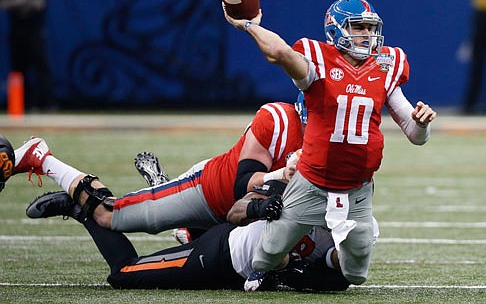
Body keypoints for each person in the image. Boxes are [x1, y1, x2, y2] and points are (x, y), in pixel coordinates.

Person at [223, 0, 437, 289]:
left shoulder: (386, 64)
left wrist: (422, 124)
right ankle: (265, 269)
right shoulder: (317, 61)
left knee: (356, 274)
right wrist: (250, 26)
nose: (367, 35)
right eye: (358, 27)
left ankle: (312, 267)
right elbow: (279, 53)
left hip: (357, 189)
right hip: (311, 181)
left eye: (370, 28)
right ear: (335, 31)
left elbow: (415, 135)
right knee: (267, 254)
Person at [2, 98, 305, 234]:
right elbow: (243, 184)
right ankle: (41, 156)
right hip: (207, 192)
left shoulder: (339, 142)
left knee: (194, 241)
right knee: (108, 214)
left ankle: (170, 199)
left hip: (241, 221)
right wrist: (284, 173)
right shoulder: (278, 119)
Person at [25, 189, 350, 291]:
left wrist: (332, 262)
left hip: (233, 265)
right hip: (219, 254)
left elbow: (326, 276)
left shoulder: (345, 233)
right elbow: (237, 210)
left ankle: (185, 228)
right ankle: (83, 206)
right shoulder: (298, 193)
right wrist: (259, 207)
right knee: (122, 274)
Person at [0, 0, 54, 111]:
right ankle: (24, 105)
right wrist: (21, 1)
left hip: (35, 35)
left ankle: (47, 104)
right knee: (19, 72)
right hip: (18, 35)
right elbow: (4, 3)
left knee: (41, 69)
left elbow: (38, 3)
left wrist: (17, 2)